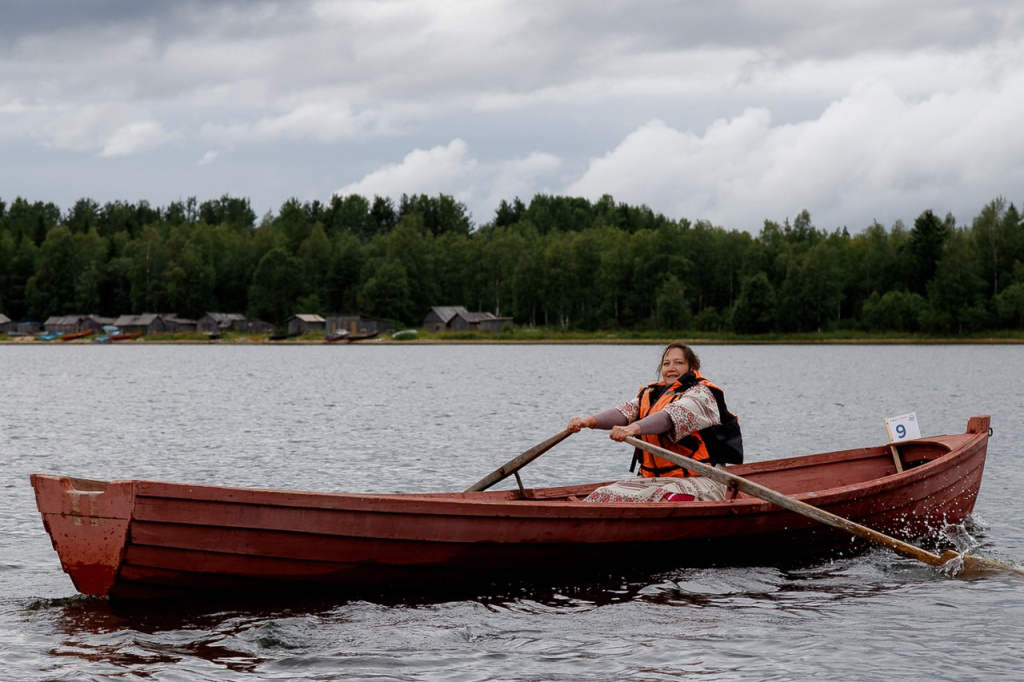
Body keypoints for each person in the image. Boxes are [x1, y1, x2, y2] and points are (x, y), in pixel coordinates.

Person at [566, 342, 734, 503]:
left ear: (691, 368)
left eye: (678, 363)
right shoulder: (651, 394)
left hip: (702, 479)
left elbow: (669, 417)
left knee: (665, 498)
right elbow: (625, 412)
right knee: (602, 495)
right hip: (656, 480)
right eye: (666, 363)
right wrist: (587, 421)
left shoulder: (701, 394)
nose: (671, 368)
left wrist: (631, 429)